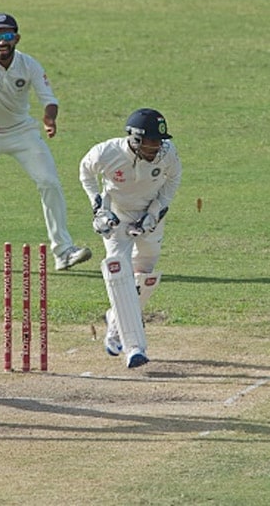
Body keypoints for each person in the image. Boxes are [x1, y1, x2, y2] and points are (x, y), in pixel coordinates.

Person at [0, 12, 91, 271]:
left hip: (21, 132)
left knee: (49, 182)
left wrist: (49, 119)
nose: (2, 42)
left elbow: (49, 99)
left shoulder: (29, 65)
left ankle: (63, 251)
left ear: (17, 38)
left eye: (8, 36)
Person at [79, 108, 182, 368]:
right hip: (118, 215)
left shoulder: (168, 153)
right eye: (150, 143)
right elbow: (85, 171)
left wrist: (155, 212)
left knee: (144, 277)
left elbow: (173, 181)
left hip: (148, 216)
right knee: (119, 272)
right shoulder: (107, 152)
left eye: (159, 142)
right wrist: (98, 206)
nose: (156, 148)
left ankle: (115, 324)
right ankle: (134, 348)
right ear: (135, 140)